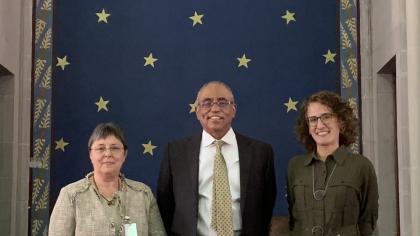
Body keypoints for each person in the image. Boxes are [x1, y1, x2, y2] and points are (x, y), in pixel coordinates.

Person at [157, 81, 277, 235]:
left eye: (222, 102)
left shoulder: (261, 153)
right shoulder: (175, 152)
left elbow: (266, 205)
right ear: (197, 111)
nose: (215, 109)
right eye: (207, 103)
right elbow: (165, 205)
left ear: (233, 110)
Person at [49, 122, 166, 236]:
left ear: (124, 154)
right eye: (101, 148)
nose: (108, 154)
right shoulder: (71, 195)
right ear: (90, 155)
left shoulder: (143, 194)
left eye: (114, 148)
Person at [287, 91, 379, 235]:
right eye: (313, 119)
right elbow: (293, 221)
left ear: (341, 121)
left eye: (326, 117)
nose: (319, 125)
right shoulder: (295, 166)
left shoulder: (361, 166)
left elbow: (368, 222)